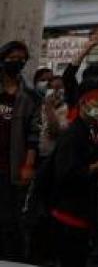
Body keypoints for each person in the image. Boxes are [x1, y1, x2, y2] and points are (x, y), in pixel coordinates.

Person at [49, 78, 98, 267]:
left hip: (84, 210)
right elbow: (67, 174)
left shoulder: (91, 130)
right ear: (83, 102)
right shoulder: (73, 134)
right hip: (69, 214)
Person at [0, 40, 38, 262]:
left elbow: (33, 136)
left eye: (20, 59)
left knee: (12, 220)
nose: (16, 63)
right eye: (11, 58)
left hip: (13, 167)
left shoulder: (30, 96)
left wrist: (28, 165)